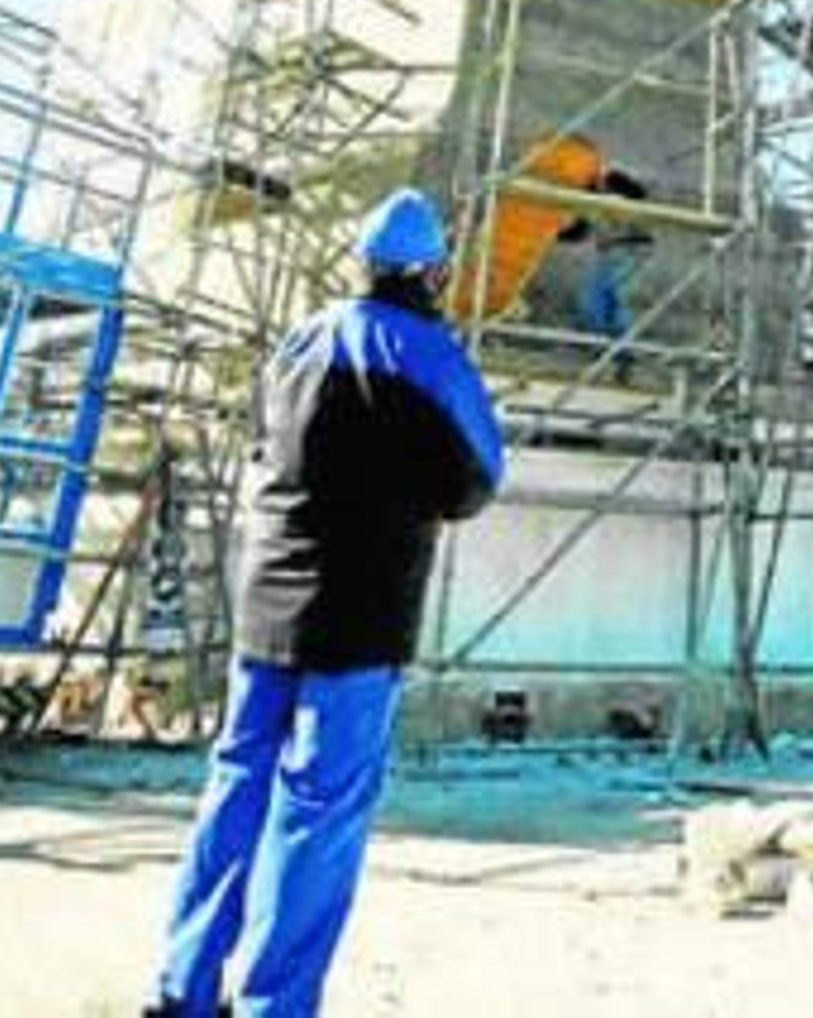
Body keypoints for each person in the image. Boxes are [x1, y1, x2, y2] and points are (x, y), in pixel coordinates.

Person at [145, 188, 505, 1018]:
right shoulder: (429, 354)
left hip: (266, 606)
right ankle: (275, 1005)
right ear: (431, 271)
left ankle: (181, 989)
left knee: (235, 784)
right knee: (317, 812)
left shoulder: (299, 339)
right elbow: (478, 477)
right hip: (360, 616)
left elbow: (269, 446)